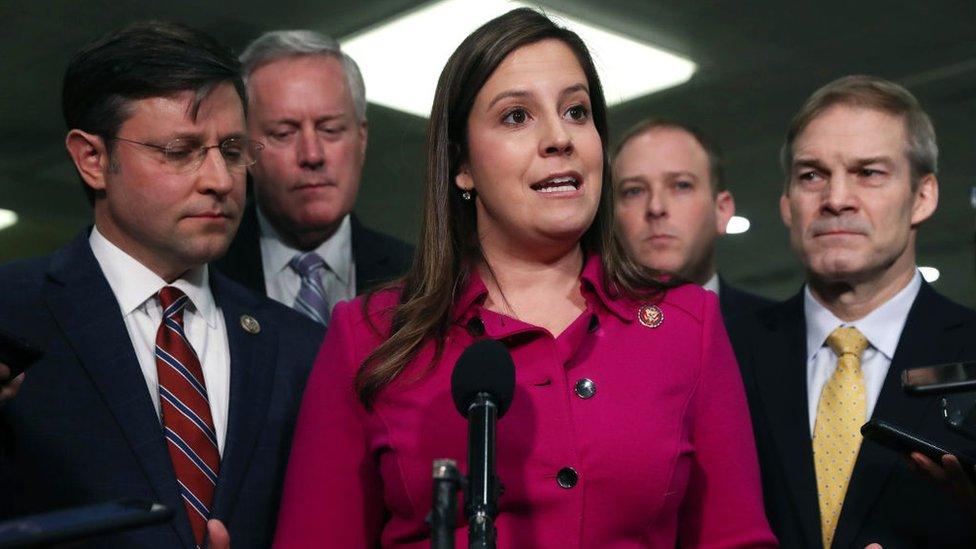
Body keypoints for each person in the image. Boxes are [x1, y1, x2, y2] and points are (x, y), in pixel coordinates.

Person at [273, 8, 776, 548]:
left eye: (577, 111)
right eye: (517, 117)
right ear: (461, 164)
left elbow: (734, 539)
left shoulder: (686, 324)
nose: (560, 137)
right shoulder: (368, 335)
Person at [0, 22, 322, 548]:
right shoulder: (10, 316)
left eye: (234, 149)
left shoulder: (300, 349)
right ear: (93, 159)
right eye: (180, 150)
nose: (220, 179)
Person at [728, 75, 976, 548]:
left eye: (869, 172)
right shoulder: (724, 354)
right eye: (811, 175)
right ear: (786, 204)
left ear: (922, 197)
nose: (836, 198)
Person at [215, 30, 414, 325]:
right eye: (284, 134)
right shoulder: (204, 272)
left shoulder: (421, 279)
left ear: (361, 139)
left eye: (330, 129)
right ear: (245, 150)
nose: (311, 155)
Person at [612, 118, 773, 323]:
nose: (655, 207)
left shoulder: (787, 338)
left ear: (721, 210)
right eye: (634, 191)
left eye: (681, 185)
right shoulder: (583, 342)